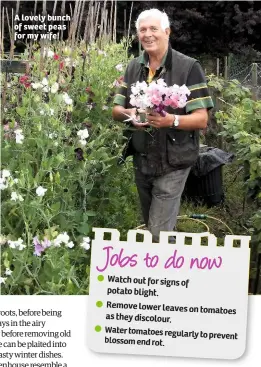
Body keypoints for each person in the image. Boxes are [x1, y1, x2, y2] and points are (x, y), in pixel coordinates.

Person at [112, 8, 214, 242]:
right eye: (142, 30)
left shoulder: (188, 67)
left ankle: (163, 275)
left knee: (156, 232)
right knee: (153, 224)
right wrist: (130, 114)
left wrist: (172, 120)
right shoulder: (133, 67)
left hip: (174, 159)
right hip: (143, 158)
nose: (147, 34)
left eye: (153, 29)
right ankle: (171, 261)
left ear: (167, 32)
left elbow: (201, 118)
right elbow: (116, 110)